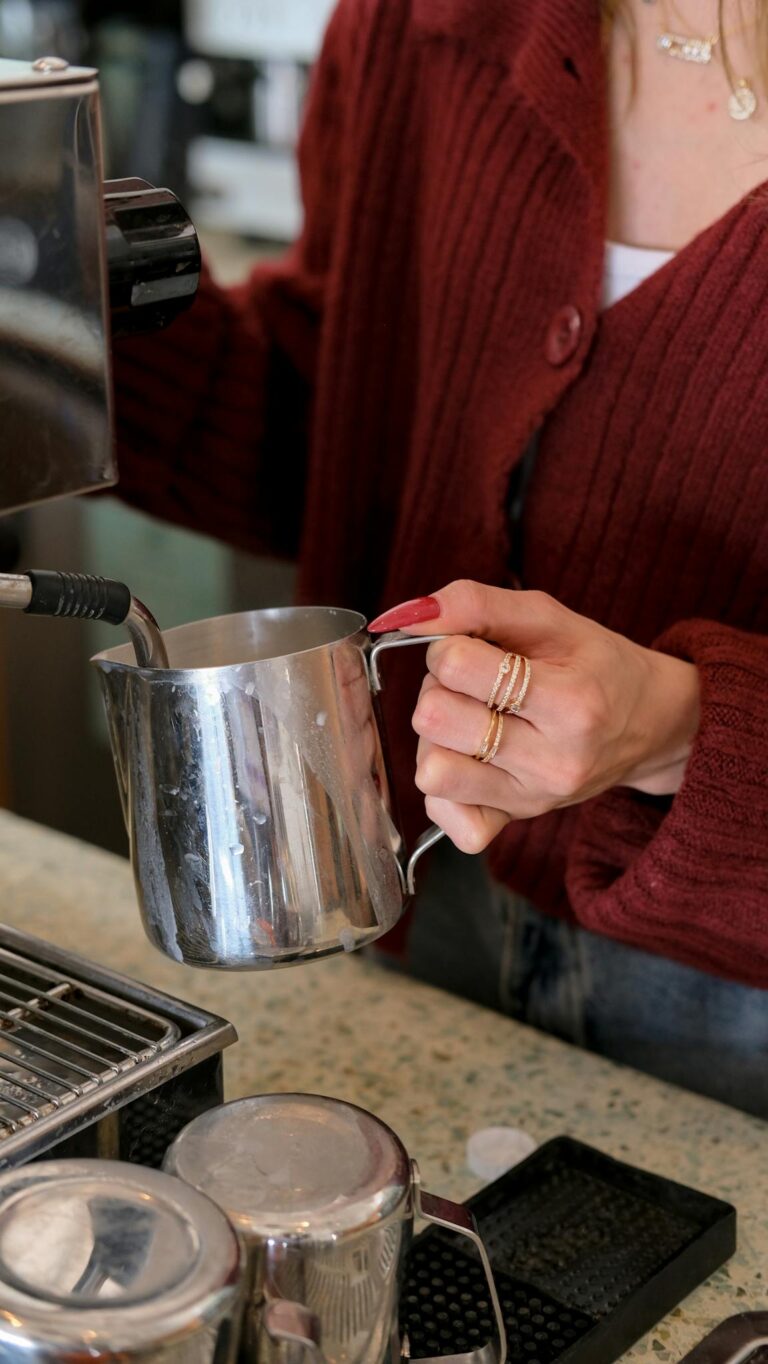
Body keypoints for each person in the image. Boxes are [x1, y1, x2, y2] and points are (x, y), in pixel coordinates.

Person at [113, 0, 768, 1115]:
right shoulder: (421, 23)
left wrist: (682, 731)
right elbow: (348, 427)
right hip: (434, 913)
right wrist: (64, 316)